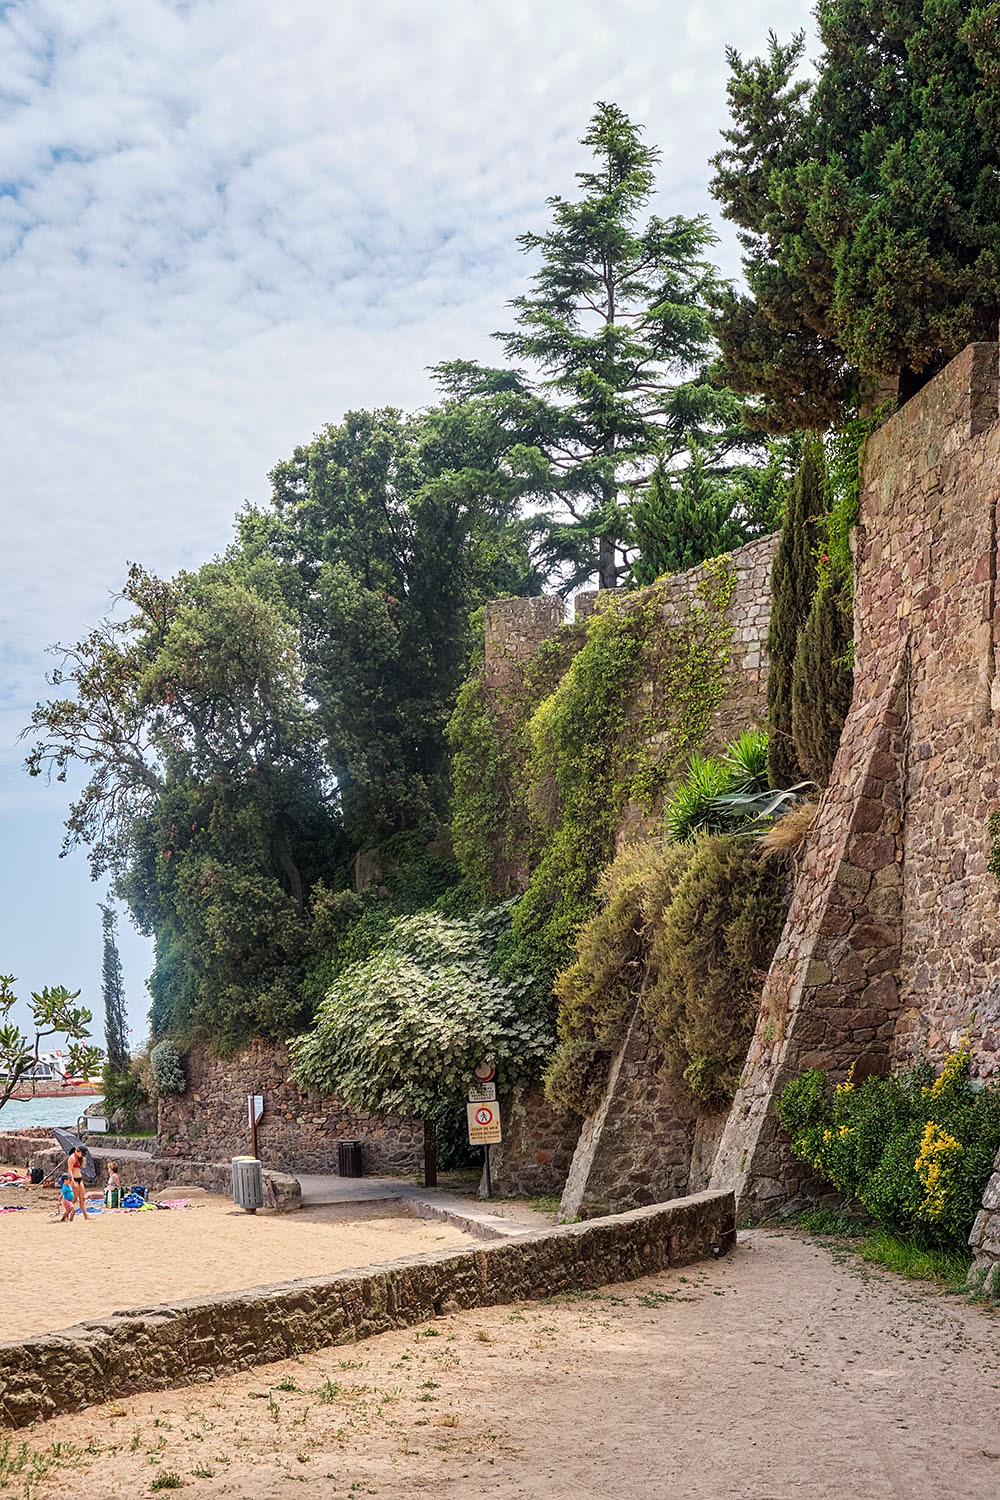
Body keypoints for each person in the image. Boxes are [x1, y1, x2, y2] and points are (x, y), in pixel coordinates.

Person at [67, 1146, 88, 1220]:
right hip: (74, 1179)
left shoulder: (78, 1158)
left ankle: (86, 1216)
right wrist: (72, 1181)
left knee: (83, 1198)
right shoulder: (72, 1158)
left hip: (79, 1178)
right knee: (75, 1198)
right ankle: (66, 1213)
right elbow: (69, 1170)